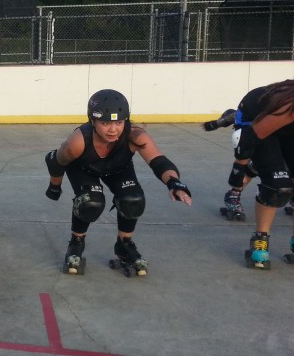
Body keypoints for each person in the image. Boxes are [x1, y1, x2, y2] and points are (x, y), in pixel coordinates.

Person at [44, 89, 192, 276]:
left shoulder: (135, 135)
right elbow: (56, 162)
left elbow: (159, 161)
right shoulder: (78, 141)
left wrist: (174, 183)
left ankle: (124, 244)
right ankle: (76, 243)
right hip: (82, 168)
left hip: (118, 167)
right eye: (105, 123)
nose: (113, 129)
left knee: (133, 200)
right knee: (91, 202)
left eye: (119, 122)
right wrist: (55, 186)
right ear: (93, 121)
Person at [226, 79, 294, 268]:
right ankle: (260, 240)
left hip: (288, 127)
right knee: (277, 186)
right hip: (254, 118)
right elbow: (249, 137)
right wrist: (238, 169)